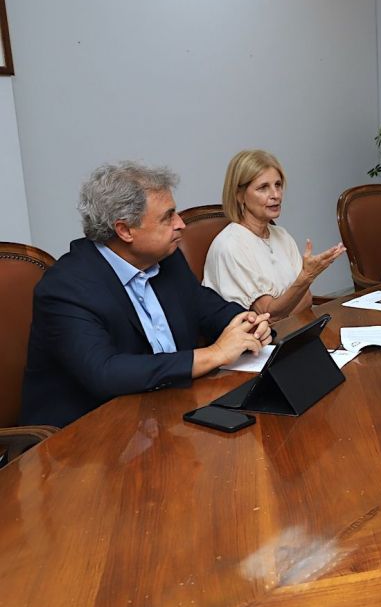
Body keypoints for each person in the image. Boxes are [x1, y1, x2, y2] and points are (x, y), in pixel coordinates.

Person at [21, 162, 272, 428]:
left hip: (166, 416)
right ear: (125, 230)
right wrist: (216, 353)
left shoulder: (167, 260)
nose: (181, 224)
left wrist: (251, 326)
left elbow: (212, 310)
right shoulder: (66, 287)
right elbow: (105, 373)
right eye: (168, 217)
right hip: (84, 439)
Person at [203, 149, 345, 318]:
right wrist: (306, 278)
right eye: (263, 188)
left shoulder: (282, 235)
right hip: (257, 341)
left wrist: (292, 296)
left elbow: (306, 300)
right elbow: (268, 315)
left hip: (293, 332)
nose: (276, 195)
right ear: (239, 195)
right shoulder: (230, 246)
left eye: (278, 185)